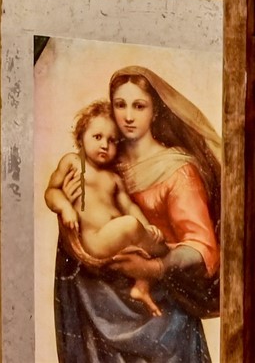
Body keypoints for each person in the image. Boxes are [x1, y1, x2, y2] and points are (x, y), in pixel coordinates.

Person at [52, 68, 221, 363]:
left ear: (155, 111)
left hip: (160, 317)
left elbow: (203, 248)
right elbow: (79, 225)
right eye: (120, 105)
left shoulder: (177, 171)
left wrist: (154, 268)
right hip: (98, 309)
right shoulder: (102, 160)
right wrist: (69, 205)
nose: (128, 116)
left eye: (139, 106)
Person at [44, 102, 170, 318]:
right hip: (94, 241)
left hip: (116, 242)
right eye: (97, 137)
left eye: (112, 140)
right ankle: (160, 256)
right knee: (132, 227)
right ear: (81, 137)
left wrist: (147, 226)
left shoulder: (114, 178)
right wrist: (65, 208)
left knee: (147, 243)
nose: (104, 145)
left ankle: (142, 285)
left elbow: (129, 206)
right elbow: (51, 191)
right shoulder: (73, 162)